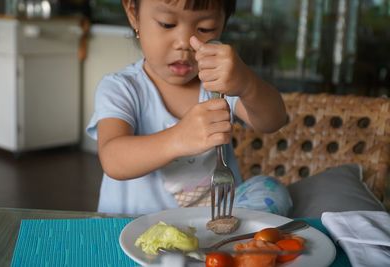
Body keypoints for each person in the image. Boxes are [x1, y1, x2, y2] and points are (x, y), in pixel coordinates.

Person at [86, 0, 292, 216]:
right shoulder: (122, 88)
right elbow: (113, 159)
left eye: (205, 28)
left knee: (271, 189)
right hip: (136, 228)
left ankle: (232, 233)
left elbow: (273, 120)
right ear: (133, 13)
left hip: (214, 225)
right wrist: (178, 139)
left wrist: (247, 85)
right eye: (167, 24)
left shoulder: (218, 84)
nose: (184, 43)